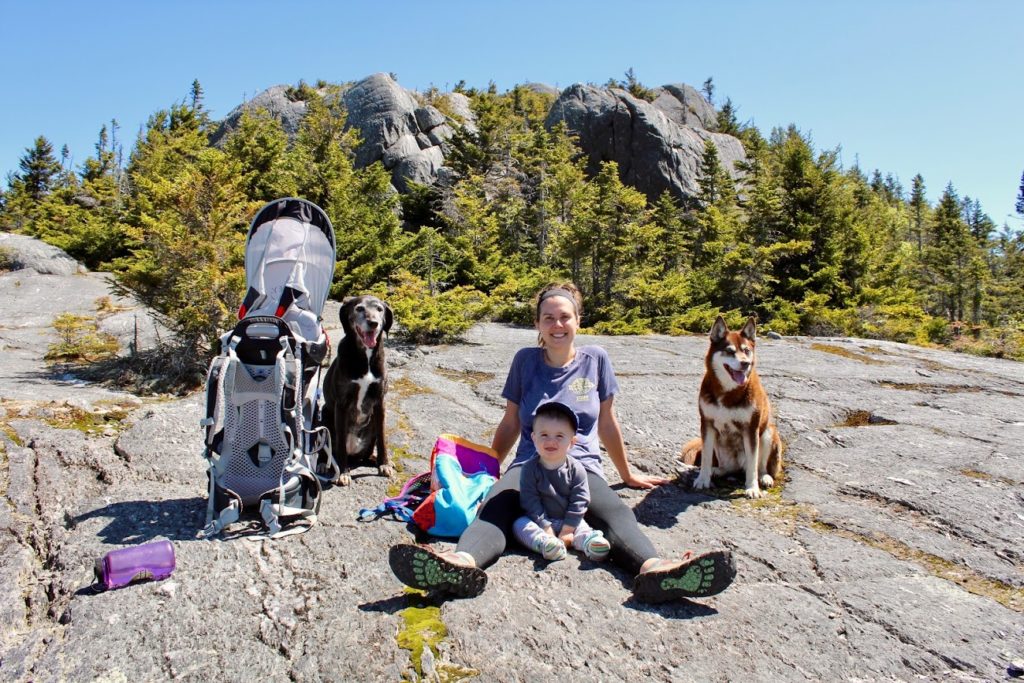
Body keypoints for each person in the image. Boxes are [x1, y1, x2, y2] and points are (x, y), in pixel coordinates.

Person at [389, 282, 735, 603]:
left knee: (614, 512)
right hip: (528, 464)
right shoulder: (525, 361)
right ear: (538, 323)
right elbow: (511, 422)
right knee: (494, 509)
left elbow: (607, 422)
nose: (557, 325)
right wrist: (489, 469)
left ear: (578, 320)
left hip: (580, 465)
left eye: (564, 317)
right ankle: (460, 564)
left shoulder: (596, 359)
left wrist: (627, 475)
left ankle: (657, 570)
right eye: (548, 318)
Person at [513, 400, 610, 563]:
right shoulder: (529, 469)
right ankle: (546, 544)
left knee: (583, 528)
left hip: (570, 521)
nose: (551, 441)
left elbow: (580, 500)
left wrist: (568, 529)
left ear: (572, 442)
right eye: (544, 435)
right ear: (533, 438)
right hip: (540, 522)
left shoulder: (576, 469)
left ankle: (590, 543)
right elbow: (530, 501)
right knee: (519, 524)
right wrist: (546, 528)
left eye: (559, 436)